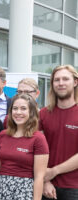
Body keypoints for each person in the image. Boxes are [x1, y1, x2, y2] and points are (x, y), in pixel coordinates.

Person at [0, 94, 49, 200]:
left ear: (31, 112)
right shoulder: (2, 135)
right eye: (15, 108)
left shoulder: (38, 138)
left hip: (24, 190)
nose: (18, 112)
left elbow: (39, 177)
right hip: (0, 188)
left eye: (23, 108)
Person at [40, 65, 78, 200]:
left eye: (65, 79)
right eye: (57, 80)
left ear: (75, 82)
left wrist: (54, 171)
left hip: (74, 187)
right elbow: (31, 148)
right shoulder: (43, 114)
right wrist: (45, 180)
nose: (61, 83)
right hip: (45, 185)